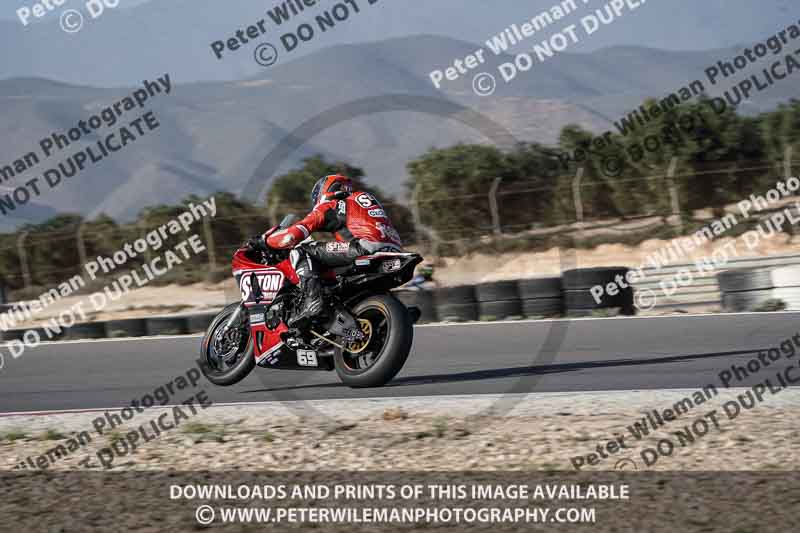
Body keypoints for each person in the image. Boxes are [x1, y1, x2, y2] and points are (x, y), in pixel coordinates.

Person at [265, 174, 403, 326]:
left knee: (301, 251)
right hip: (394, 249)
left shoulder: (334, 204)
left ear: (325, 190)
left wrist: (266, 241)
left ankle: (313, 300)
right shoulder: (361, 201)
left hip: (364, 247)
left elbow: (295, 233)